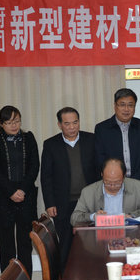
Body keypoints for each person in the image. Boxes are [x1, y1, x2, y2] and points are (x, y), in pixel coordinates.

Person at [41, 107, 99, 268]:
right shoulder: (51, 144)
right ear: (59, 125)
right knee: (66, 245)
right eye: (67, 124)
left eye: (75, 122)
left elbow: (98, 170)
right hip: (63, 203)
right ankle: (66, 279)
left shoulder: (91, 139)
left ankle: (89, 275)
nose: (72, 127)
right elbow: (46, 176)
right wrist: (50, 203)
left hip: (88, 202)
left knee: (91, 243)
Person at [0, 105, 39, 277]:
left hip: (26, 196)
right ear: (1, 124)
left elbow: (34, 166)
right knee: (6, 243)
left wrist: (22, 190)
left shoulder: (28, 138)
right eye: (9, 122)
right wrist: (11, 191)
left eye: (16, 121)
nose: (14, 125)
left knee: (25, 242)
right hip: (3, 197)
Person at [94, 88, 140, 194]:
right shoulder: (102, 129)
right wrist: (116, 180)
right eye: (122, 105)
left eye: (130, 105)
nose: (126, 109)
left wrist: (133, 182)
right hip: (112, 186)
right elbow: (100, 158)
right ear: (115, 106)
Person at [70, 158, 140, 225]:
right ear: (102, 175)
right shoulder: (88, 192)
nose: (112, 186)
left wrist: (131, 216)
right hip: (99, 235)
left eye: (117, 182)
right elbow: (74, 219)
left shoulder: (138, 187)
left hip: (130, 234)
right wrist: (93, 216)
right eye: (107, 182)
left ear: (124, 176)